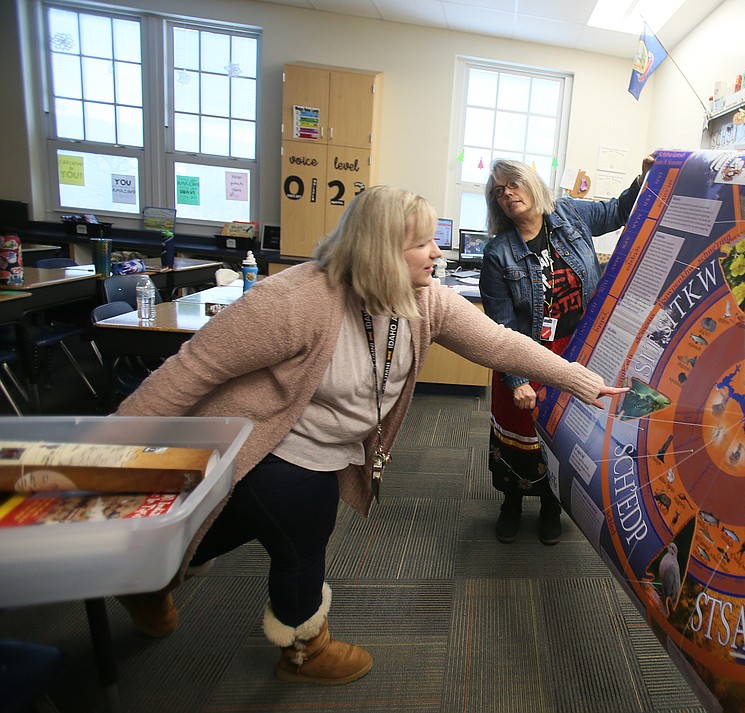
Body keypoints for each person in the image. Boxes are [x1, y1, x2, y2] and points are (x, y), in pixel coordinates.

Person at [112, 186, 627, 685]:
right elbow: (189, 373)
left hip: (330, 447)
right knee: (299, 522)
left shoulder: (425, 300)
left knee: (243, 521)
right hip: (268, 438)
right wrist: (106, 453)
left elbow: (500, 344)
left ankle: (151, 574)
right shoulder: (294, 300)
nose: (437, 252)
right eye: (422, 243)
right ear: (380, 251)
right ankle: (304, 649)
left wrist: (578, 379)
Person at [479, 154, 653, 546]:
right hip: (522, 354)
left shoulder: (570, 214)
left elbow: (619, 211)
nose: (508, 194)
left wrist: (645, 177)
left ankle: (552, 506)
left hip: (575, 350)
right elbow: (501, 326)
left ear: (531, 183)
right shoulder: (498, 253)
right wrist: (517, 379)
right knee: (518, 432)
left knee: (562, 432)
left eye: (514, 184)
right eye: (499, 191)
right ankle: (511, 501)